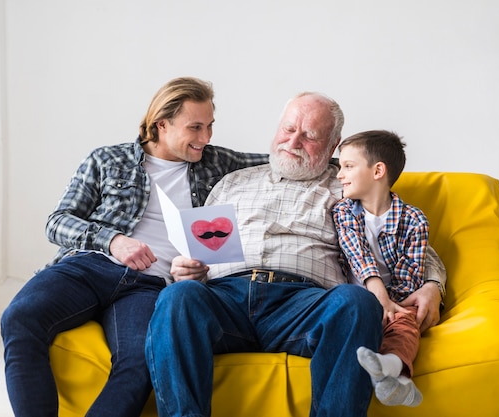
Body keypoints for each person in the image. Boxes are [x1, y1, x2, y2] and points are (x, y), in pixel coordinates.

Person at [145, 92, 446, 417]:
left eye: (310, 136)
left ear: (334, 146)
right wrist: (187, 270)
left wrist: (432, 283)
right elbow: (201, 249)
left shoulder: (346, 184)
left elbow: (402, 234)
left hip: (303, 304)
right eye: (288, 129)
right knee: (178, 296)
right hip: (225, 299)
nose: (294, 141)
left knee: (356, 302)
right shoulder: (233, 182)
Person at [0, 77, 269, 417]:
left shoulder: (217, 163)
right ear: (162, 124)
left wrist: (345, 157)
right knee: (20, 318)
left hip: (150, 286)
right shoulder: (108, 160)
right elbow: (57, 221)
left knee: (141, 362)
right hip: (88, 267)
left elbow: (283, 161)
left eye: (210, 126)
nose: (206, 138)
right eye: (195, 127)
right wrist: (112, 240)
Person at [333, 130, 434, 407]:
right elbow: (358, 254)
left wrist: (391, 307)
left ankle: (390, 366)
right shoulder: (343, 211)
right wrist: (378, 300)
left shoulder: (414, 221)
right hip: (358, 297)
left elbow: (410, 276)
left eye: (348, 166)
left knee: (405, 323)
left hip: (397, 299)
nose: (340, 174)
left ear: (378, 171)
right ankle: (399, 381)